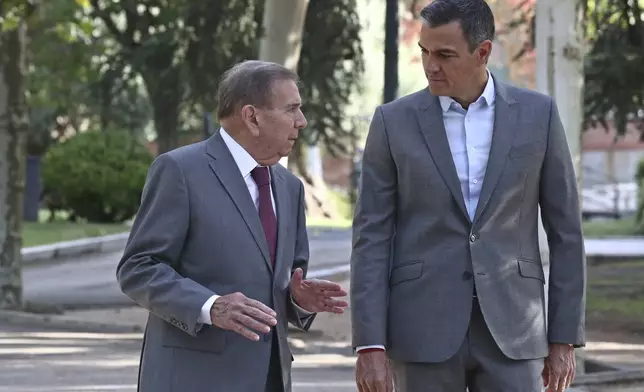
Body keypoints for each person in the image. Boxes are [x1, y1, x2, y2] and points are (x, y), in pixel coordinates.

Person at [350, 0, 586, 391]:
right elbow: (371, 236)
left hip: (515, 329)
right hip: (421, 331)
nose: (430, 66)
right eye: (424, 52)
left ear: (483, 52)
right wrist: (369, 344)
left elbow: (566, 232)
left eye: (444, 54)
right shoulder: (392, 122)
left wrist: (564, 335)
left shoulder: (538, 115)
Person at [116, 60, 348, 392]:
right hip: (192, 378)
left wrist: (297, 300)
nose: (302, 121)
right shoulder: (180, 170)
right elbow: (138, 268)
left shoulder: (290, 186)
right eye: (292, 109)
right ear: (252, 116)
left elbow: (282, 281)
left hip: (270, 379)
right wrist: (210, 307)